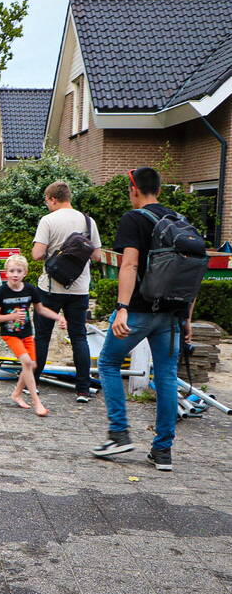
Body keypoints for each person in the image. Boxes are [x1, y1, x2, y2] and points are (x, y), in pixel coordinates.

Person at [91, 167, 191, 471]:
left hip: (137, 311)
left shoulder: (133, 219)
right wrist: (186, 318)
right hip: (171, 316)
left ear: (134, 189)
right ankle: (163, 451)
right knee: (165, 376)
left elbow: (130, 265)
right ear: (158, 190)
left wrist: (121, 307)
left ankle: (119, 433)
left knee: (108, 362)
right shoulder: (179, 221)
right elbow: (190, 273)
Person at [31, 181, 102, 403]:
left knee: (42, 337)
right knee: (79, 336)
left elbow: (36, 254)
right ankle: (82, 389)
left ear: (53, 199)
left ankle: (32, 384)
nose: (47, 205)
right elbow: (97, 256)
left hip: (51, 287)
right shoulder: (88, 222)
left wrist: (55, 253)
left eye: (47, 201)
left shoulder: (48, 220)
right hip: (79, 289)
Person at [0, 255, 66, 417]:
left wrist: (59, 317)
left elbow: (41, 310)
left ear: (25, 272)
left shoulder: (30, 289)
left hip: (26, 333)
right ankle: (37, 402)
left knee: (31, 365)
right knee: (26, 362)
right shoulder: (1, 292)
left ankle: (16, 394)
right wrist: (11, 317)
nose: (15, 274)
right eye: (11, 271)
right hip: (10, 334)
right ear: (6, 273)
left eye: (19, 271)